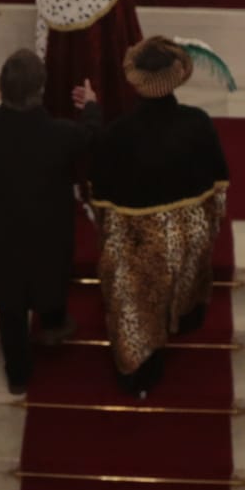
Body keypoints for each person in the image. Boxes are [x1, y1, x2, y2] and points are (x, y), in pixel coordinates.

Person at [89, 37, 230, 398]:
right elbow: (219, 184)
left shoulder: (116, 134)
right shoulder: (198, 123)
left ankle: (140, 371)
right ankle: (185, 315)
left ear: (136, 81)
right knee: (192, 239)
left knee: (127, 279)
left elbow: (100, 200)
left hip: (139, 245)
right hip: (189, 236)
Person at [0, 51, 101, 394]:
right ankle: (53, 325)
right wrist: (92, 105)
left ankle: (18, 375)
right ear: (41, 90)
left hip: (5, 240)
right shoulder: (61, 134)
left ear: (3, 90)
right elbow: (93, 135)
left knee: (11, 310)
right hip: (49, 236)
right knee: (50, 281)